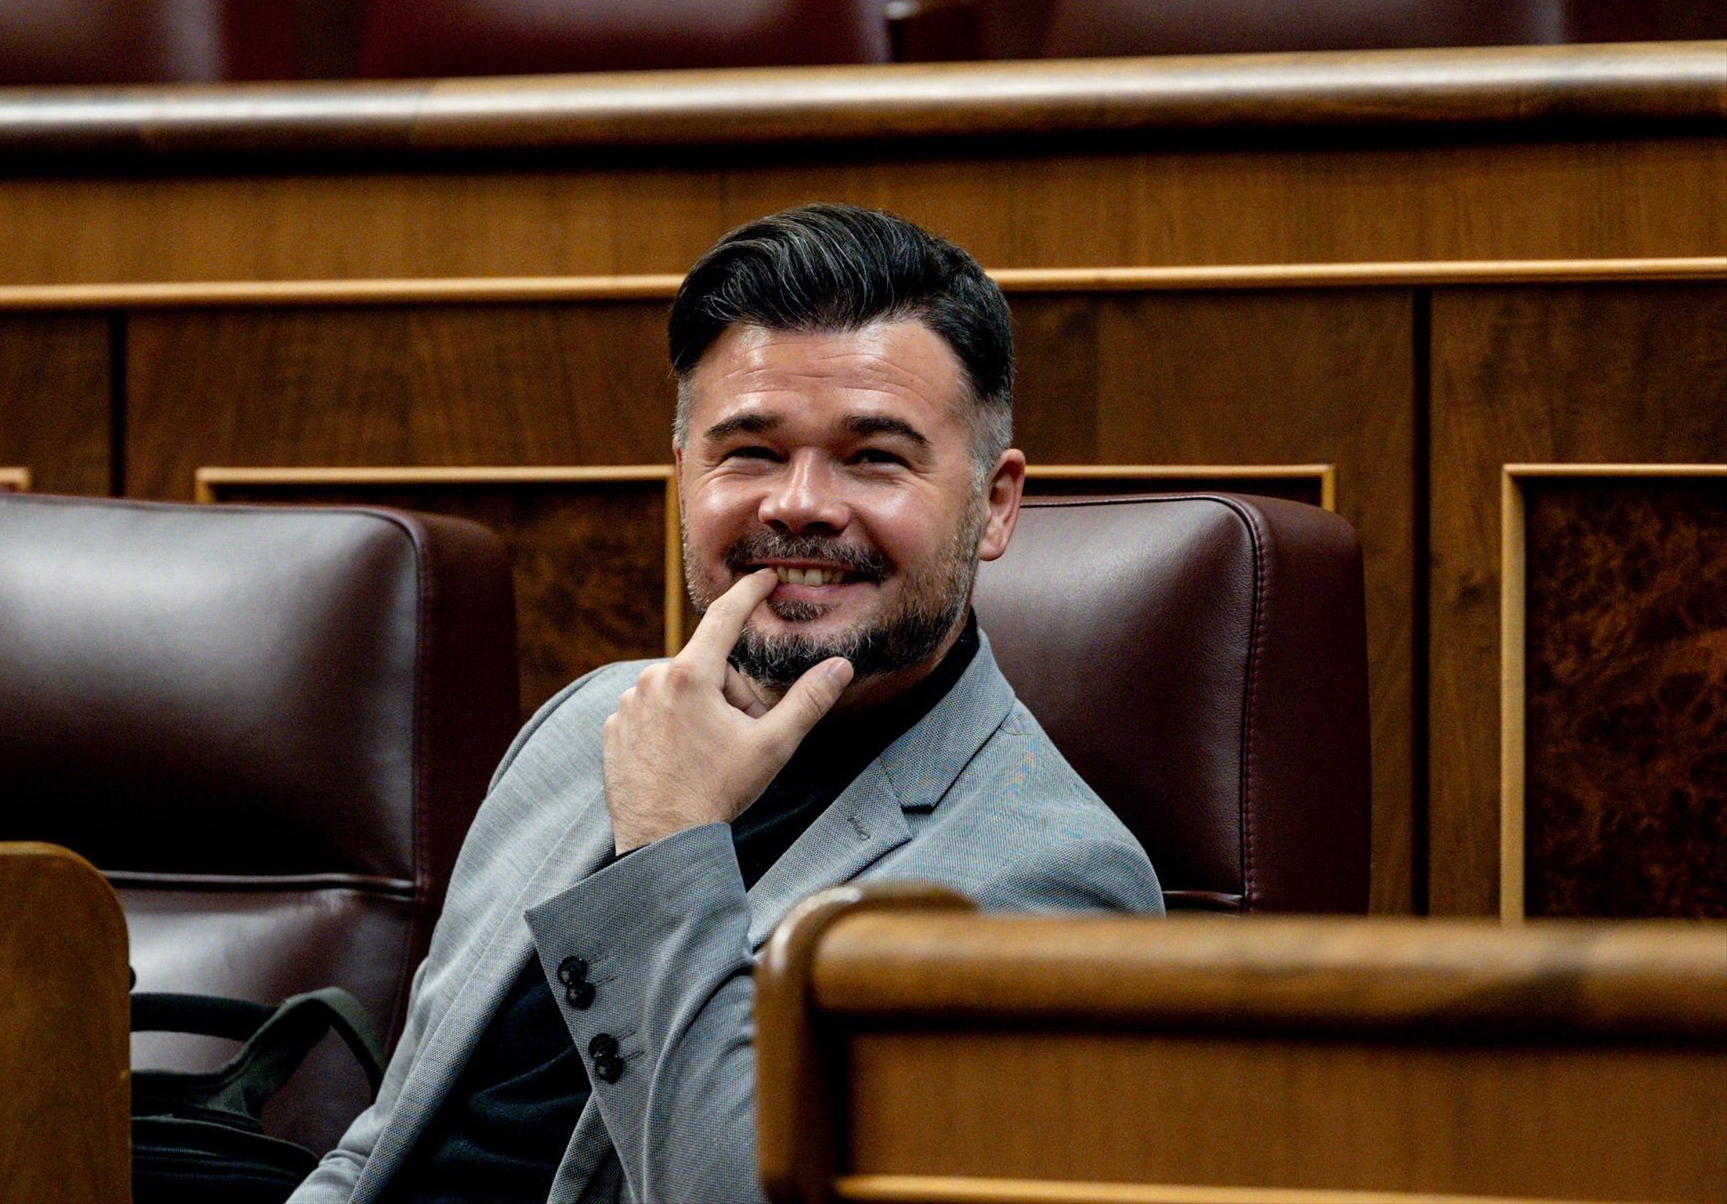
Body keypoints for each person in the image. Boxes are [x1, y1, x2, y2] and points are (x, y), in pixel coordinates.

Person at [289, 204, 1163, 1204]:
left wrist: (669, 844)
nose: (798, 502)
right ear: (681, 479)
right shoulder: (589, 725)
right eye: (748, 450)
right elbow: (378, 1150)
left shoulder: (1054, 879)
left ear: (994, 503)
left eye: (873, 456)